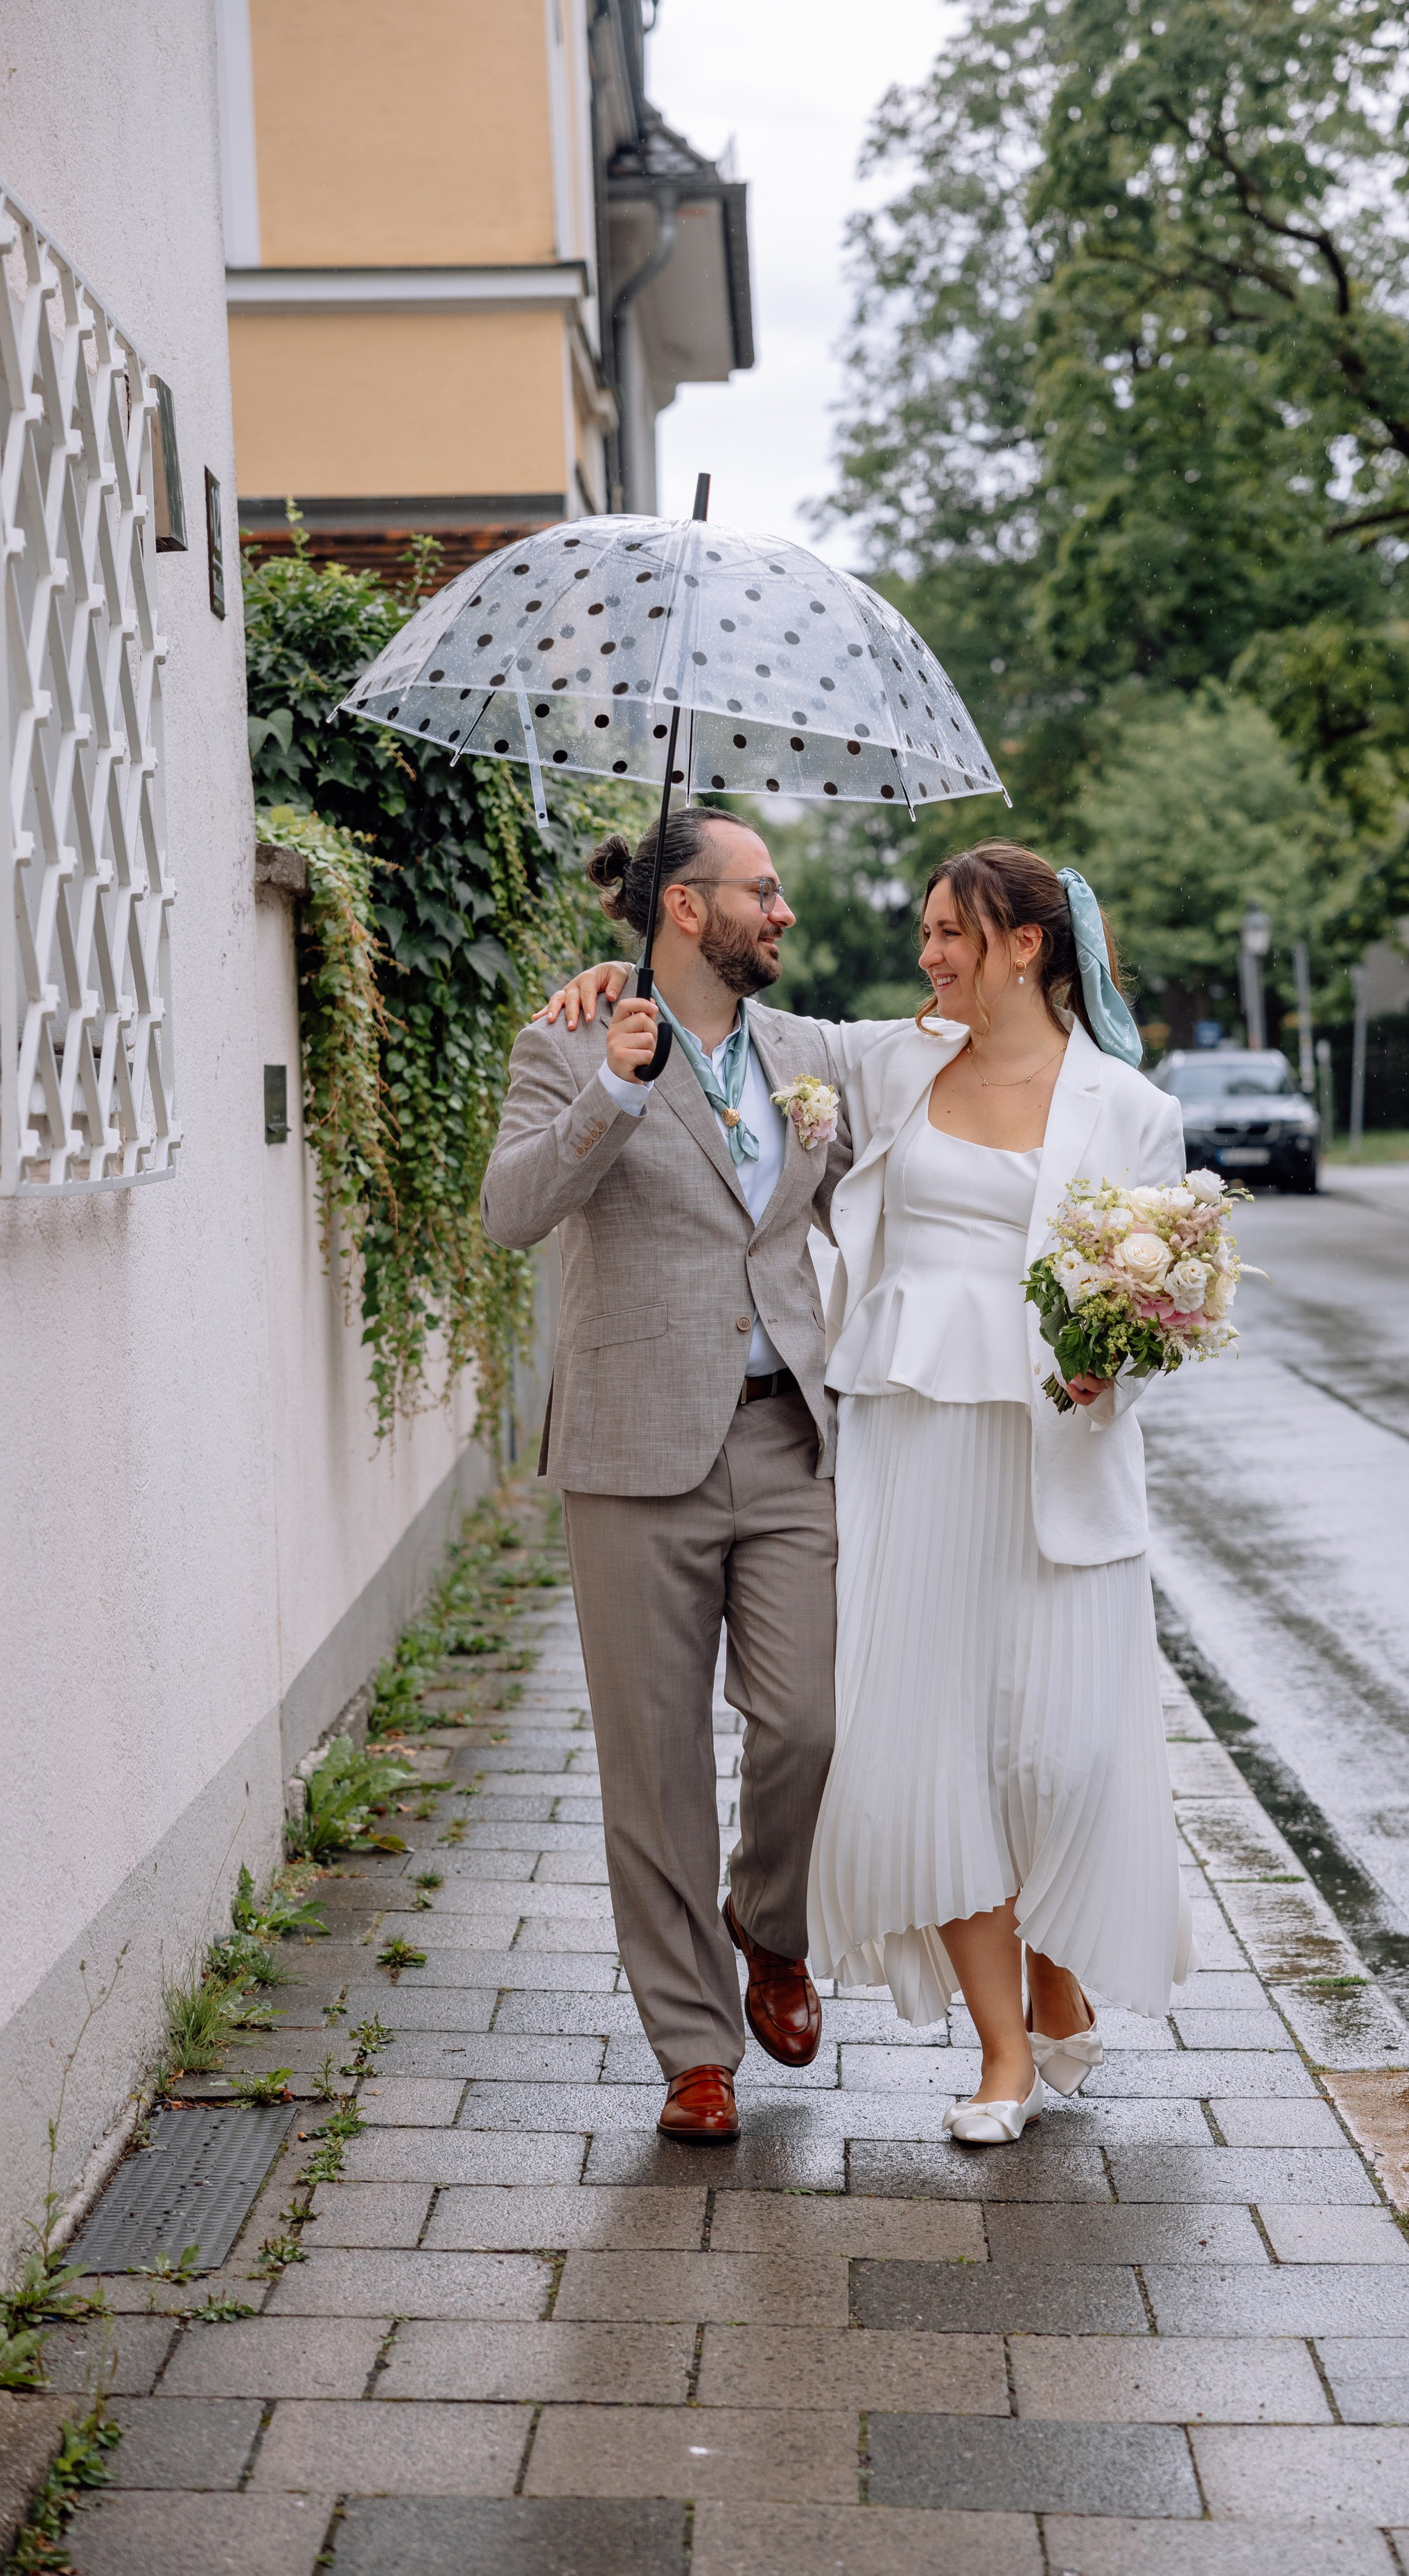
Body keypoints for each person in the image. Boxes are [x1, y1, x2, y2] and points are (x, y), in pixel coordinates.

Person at [553, 842, 1190, 2146]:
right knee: (920, 1749)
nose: (927, 954)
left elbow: (1169, 1290)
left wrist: (1116, 1365)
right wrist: (617, 989)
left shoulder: (1117, 1104)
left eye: (951, 931)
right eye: (928, 930)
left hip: (1033, 1449)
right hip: (898, 1438)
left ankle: (1035, 1961)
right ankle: (976, 2054)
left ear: (1026, 944)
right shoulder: (892, 1063)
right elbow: (709, 1023)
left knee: (1031, 1751)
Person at [481, 807, 851, 2143]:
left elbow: (901, 1160)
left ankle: (770, 1917)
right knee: (655, 1764)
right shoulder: (571, 1040)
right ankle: (695, 2048)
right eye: (763, 889)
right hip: (634, 1446)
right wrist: (615, 1090)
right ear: (686, 908)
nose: (784, 911)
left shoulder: (812, 1056)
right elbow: (509, 1211)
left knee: (807, 1722)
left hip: (787, 1435)